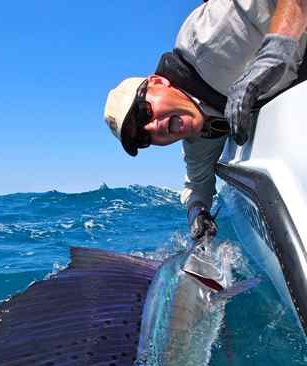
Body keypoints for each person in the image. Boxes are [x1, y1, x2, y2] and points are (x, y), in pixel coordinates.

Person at [104, 0, 307, 240]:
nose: (152, 127)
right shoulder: (198, 135)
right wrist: (198, 214)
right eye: (143, 137)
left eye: (144, 112)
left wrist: (272, 58)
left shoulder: (209, 38)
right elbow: (196, 186)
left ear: (158, 82)